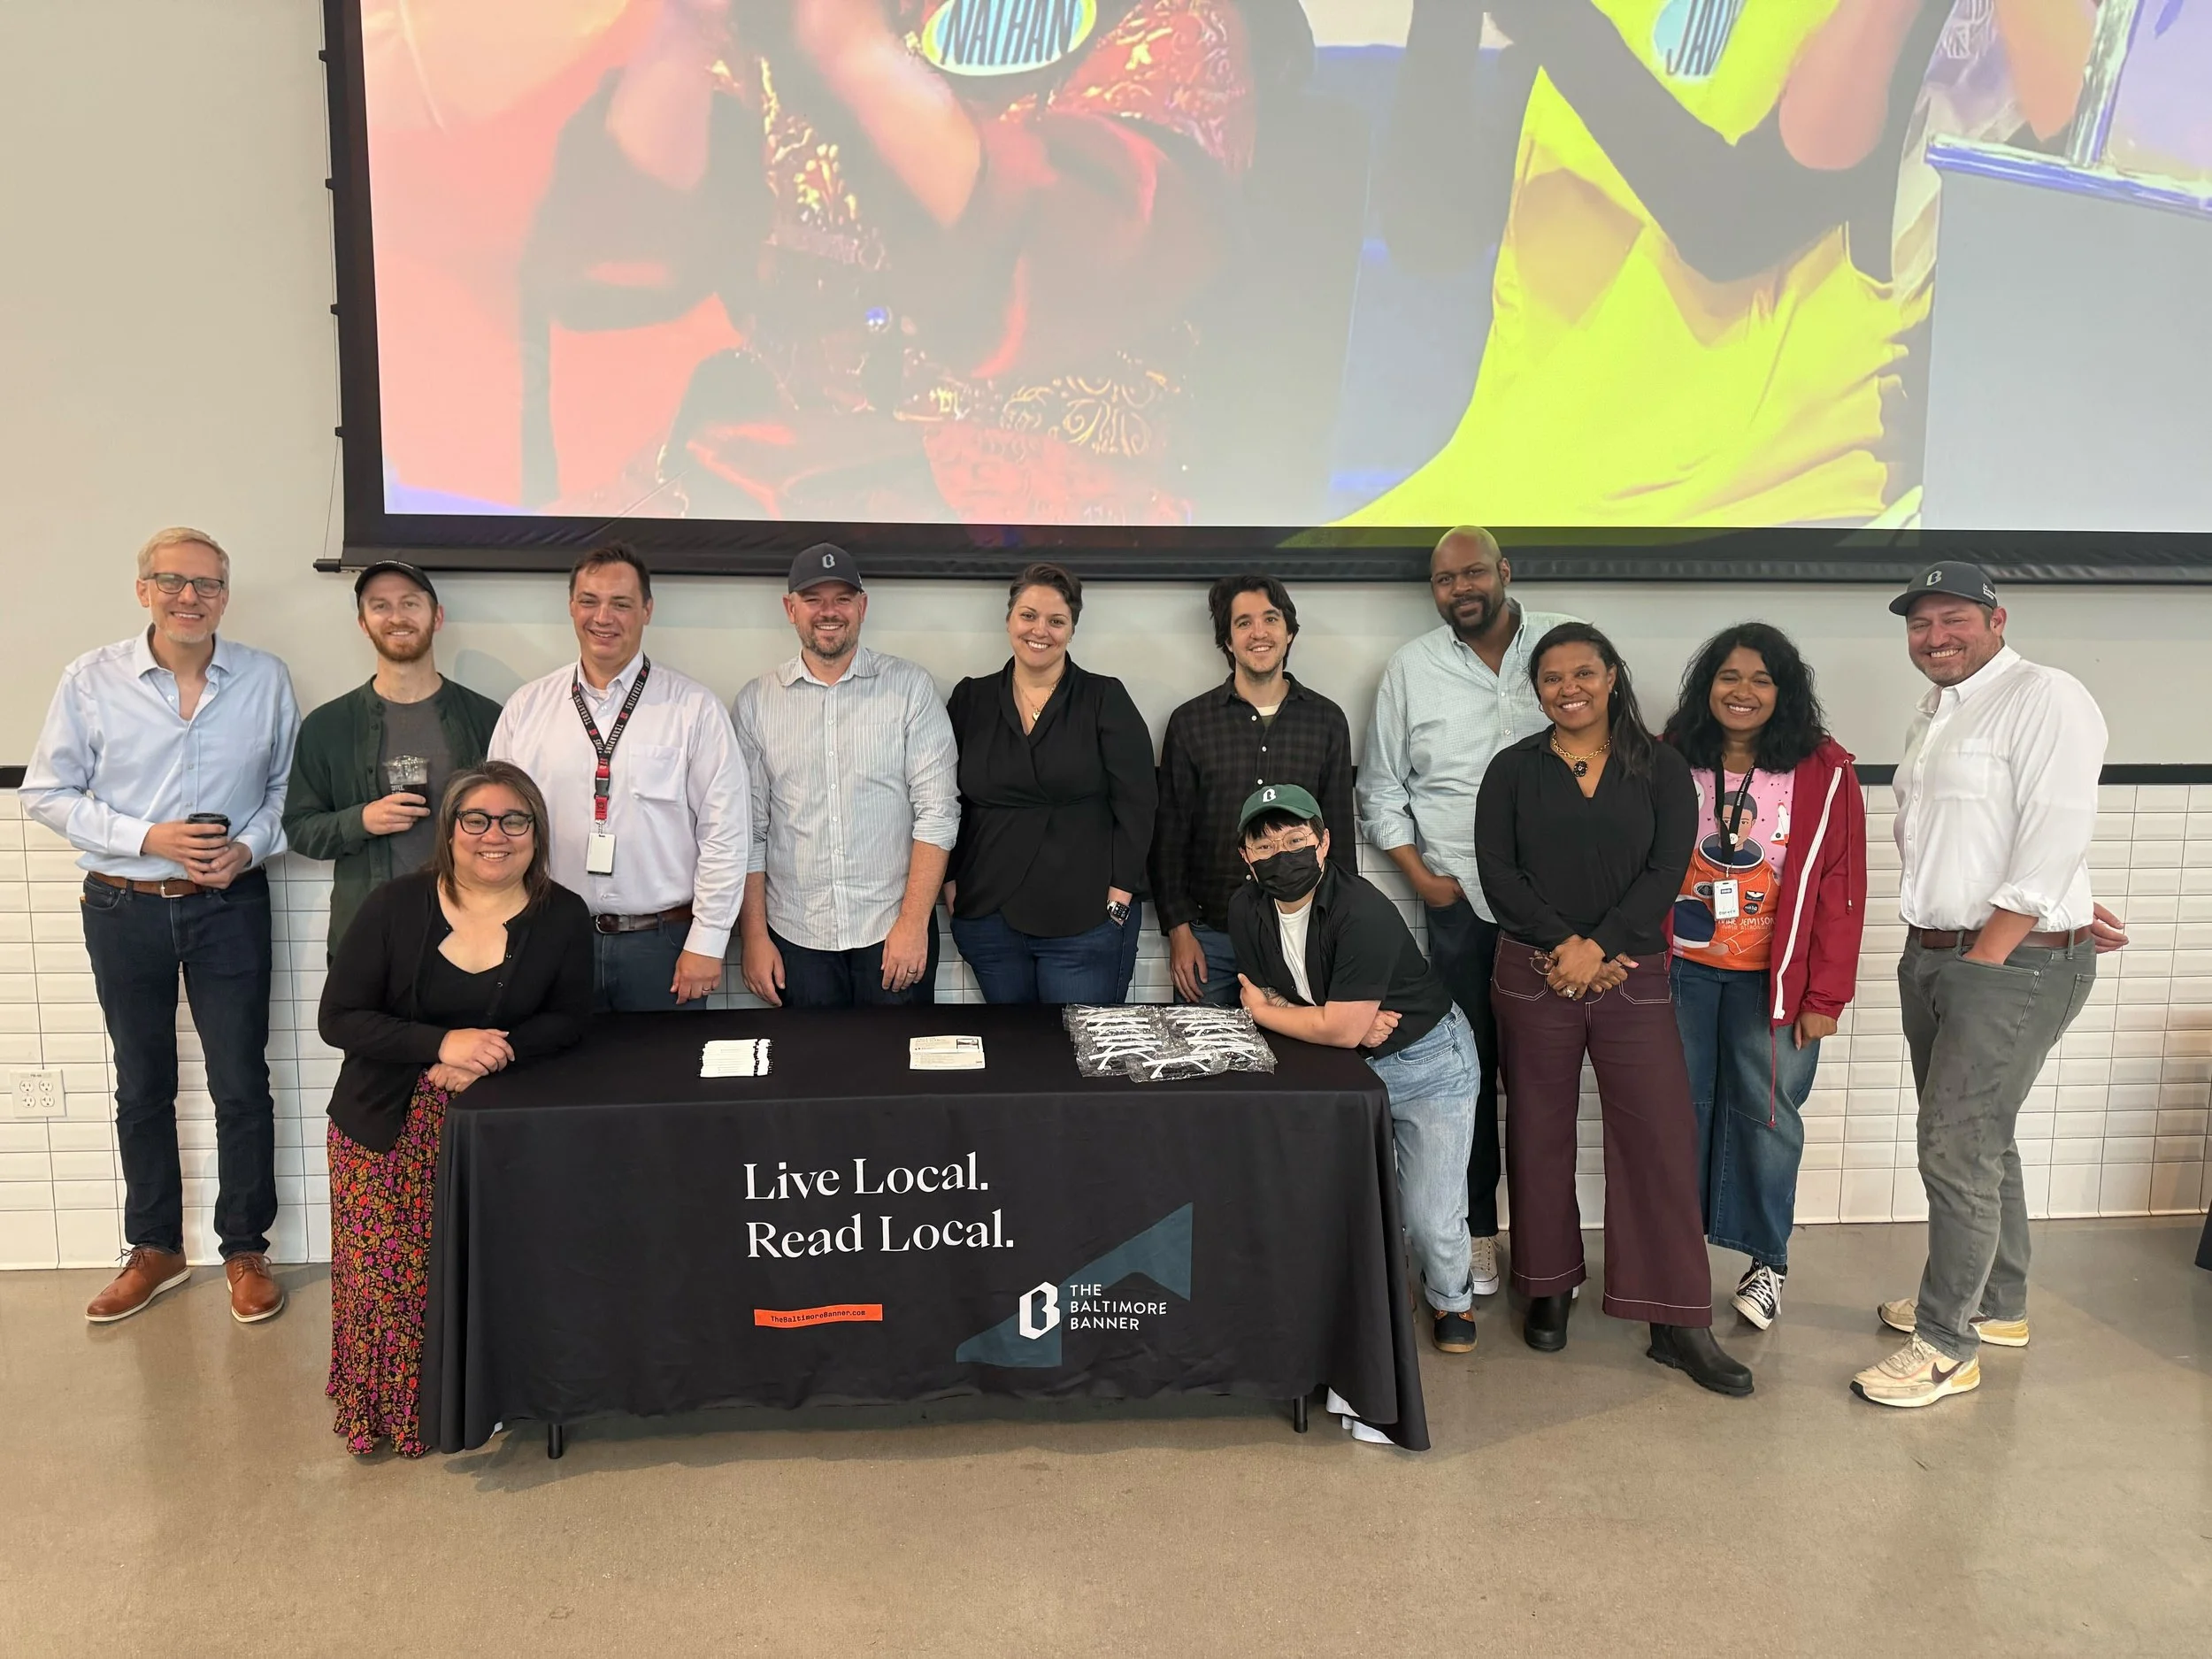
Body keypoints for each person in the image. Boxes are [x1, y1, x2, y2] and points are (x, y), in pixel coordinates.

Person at [519, 0, 1270, 525]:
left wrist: (855, 56)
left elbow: (1083, 255)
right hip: (776, 476)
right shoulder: (781, 24)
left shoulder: (1168, 22)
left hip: (1040, 516)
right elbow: (628, 246)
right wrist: (684, 30)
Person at [1855, 561, 2125, 1409]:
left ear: (1998, 619)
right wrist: (2056, 899)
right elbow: (1976, 832)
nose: (1935, 636)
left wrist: (2002, 942)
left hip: (2002, 962)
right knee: (1982, 1136)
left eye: (1954, 619)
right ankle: (1997, 1303)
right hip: (1944, 950)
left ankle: (1945, 1344)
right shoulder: (1938, 714)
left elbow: (2058, 820)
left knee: (1956, 1144)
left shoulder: (2049, 696)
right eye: (1920, 623)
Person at [21, 527, 298, 1325]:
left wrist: (248, 847)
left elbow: (286, 790)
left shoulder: (265, 678)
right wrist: (148, 837)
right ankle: (155, 1248)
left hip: (230, 903)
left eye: (207, 584)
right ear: (143, 588)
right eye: (172, 581)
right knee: (143, 1082)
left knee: (242, 1081)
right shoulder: (90, 679)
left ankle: (245, 1247)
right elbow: (45, 792)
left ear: (224, 596)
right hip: (122, 902)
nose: (189, 596)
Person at [1475, 622, 1753, 1396]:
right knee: (1537, 1131)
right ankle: (1548, 1285)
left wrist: (1602, 946)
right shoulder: (1510, 770)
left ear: (1612, 677)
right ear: (1536, 691)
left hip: (1632, 970)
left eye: (1584, 673)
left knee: (1659, 1136)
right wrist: (1568, 944)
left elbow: (1668, 866)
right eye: (1552, 678)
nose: (1569, 688)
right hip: (1535, 973)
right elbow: (1498, 874)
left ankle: (1676, 1319)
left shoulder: (1660, 766)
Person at [319, 762, 593, 1455]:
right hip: (384, 1124)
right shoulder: (393, 906)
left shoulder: (561, 914)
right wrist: (439, 1043)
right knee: (392, 1283)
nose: (493, 836)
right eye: (477, 819)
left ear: (536, 832)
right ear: (450, 831)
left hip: (495, 1133)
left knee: (490, 1274)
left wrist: (491, 1052)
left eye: (514, 820)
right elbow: (340, 1017)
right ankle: (396, 1413)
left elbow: (571, 1018)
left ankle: (487, 1399)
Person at [1359, 526, 1576, 1296]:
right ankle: (1478, 1232)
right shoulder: (1412, 668)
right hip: (1459, 912)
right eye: (1444, 580)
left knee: (1546, 1085)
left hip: (1559, 919)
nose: (1460, 589)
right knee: (1465, 1079)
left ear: (1505, 571)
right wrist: (1420, 876)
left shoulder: (1563, 646)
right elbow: (1382, 790)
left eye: (1473, 572)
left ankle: (1548, 1248)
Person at [1661, 624, 1868, 1331]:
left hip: (1775, 984)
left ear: (1784, 692)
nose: (1741, 692)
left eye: (1760, 679)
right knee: (1676, 1111)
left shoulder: (1823, 770)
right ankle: (1676, 1255)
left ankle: (1766, 1263)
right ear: (1705, 686)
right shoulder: (1671, 757)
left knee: (1768, 1118)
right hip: (1680, 974)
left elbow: (1843, 887)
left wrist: (1826, 995)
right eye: (1727, 676)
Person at [1229, 785, 1480, 1356]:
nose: (1281, 854)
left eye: (1296, 840)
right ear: (1245, 856)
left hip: (1427, 1062)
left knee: (1429, 1213)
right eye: (1265, 846)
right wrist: (1330, 1022)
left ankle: (1451, 1296)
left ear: (1323, 844)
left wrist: (1289, 1016)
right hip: (1340, 1064)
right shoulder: (1244, 909)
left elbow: (1267, 1009)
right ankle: (1387, 1289)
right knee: (1360, 1198)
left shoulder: (1360, 907)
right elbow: (1263, 995)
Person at [488, 543, 749, 1010]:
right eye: (589, 601)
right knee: (565, 1081)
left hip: (665, 946)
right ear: (572, 607)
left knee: (666, 1081)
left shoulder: (693, 709)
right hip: (553, 941)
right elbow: (498, 830)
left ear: (647, 610)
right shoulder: (526, 710)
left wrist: (707, 942)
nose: (603, 617)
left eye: (621, 603)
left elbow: (725, 834)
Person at [733, 544, 959, 1008]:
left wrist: (914, 925)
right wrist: (754, 938)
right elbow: (749, 831)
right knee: (812, 1076)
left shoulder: (911, 689)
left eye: (842, 598)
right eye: (814, 599)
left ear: (862, 606)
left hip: (893, 931)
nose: (828, 612)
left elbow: (937, 814)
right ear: (790, 608)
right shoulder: (757, 702)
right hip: (796, 938)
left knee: (902, 1073)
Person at [944, 563, 1156, 1003]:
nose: (1040, 630)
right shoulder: (971, 699)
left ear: (1071, 629)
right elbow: (946, 800)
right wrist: (949, 882)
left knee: (1078, 1059)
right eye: (1028, 616)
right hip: (989, 915)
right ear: (1009, 621)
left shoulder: (1104, 698)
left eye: (1056, 621)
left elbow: (1139, 803)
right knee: (1014, 1059)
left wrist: (1120, 894)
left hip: (1086, 920)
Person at [1152, 572, 1355, 1007]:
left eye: (1270, 619)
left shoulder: (1327, 721)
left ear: (1289, 633)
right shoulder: (1191, 723)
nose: (1258, 633)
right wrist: (1179, 932)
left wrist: (1339, 935)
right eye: (1243, 623)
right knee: (1204, 1068)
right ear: (1227, 640)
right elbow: (1170, 838)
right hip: (1210, 940)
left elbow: (1338, 837)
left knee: (1297, 1070)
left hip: (1301, 937)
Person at [282, 560, 503, 956]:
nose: (396, 617)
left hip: (472, 933)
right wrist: (361, 820)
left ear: (436, 617)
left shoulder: (488, 718)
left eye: (410, 604)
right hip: (367, 937)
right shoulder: (328, 725)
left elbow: (519, 823)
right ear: (363, 623)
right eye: (380, 606)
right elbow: (299, 830)